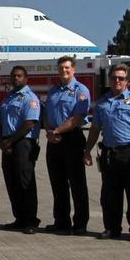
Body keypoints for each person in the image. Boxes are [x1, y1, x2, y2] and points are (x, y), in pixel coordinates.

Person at [84, 65, 130, 241]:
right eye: (114, 78)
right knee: (109, 194)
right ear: (109, 80)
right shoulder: (102, 103)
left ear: (127, 81)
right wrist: (87, 150)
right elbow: (95, 128)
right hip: (109, 153)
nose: (117, 81)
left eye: (121, 78)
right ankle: (112, 228)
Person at [43, 56, 91, 235]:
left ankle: (80, 223)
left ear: (73, 70)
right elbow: (47, 114)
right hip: (53, 139)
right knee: (58, 183)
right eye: (61, 68)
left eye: (67, 68)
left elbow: (77, 118)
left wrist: (57, 131)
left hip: (72, 139)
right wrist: (49, 131)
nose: (64, 71)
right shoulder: (54, 90)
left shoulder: (81, 91)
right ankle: (61, 221)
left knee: (77, 183)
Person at [0, 65, 41, 234]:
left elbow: (29, 124)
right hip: (8, 143)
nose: (16, 78)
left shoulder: (30, 98)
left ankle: (31, 220)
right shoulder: (8, 98)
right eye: (14, 76)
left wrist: (10, 142)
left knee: (25, 182)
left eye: (20, 76)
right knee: (11, 182)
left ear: (26, 78)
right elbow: (0, 123)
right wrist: (2, 142)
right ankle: (19, 218)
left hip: (23, 143)